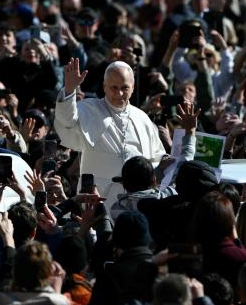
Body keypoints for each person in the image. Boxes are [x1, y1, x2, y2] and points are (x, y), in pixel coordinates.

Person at [55, 59, 197, 205]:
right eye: (114, 87)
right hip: (99, 197)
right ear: (104, 86)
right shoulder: (89, 109)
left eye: (125, 87)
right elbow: (66, 121)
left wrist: (163, 162)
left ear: (133, 88)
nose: (119, 93)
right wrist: (69, 90)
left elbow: (155, 159)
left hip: (137, 199)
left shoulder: (142, 118)